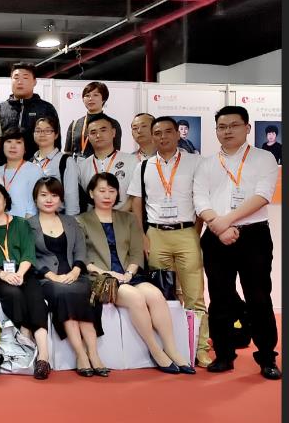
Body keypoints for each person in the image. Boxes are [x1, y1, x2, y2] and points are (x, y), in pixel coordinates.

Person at [77, 172, 193, 375]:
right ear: (91, 193)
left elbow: (136, 253)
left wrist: (129, 274)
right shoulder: (80, 221)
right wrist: (109, 273)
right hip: (101, 278)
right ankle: (156, 350)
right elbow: (81, 256)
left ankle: (172, 349)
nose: (107, 195)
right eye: (102, 191)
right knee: (136, 298)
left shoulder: (128, 218)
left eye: (112, 191)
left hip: (129, 275)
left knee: (155, 295)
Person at [195, 106, 280, 379]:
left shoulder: (264, 158)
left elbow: (263, 195)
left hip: (253, 236)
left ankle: (267, 357)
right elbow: (200, 198)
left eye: (234, 125)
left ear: (247, 128)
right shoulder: (207, 163)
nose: (227, 131)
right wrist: (217, 226)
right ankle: (224, 354)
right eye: (222, 126)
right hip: (215, 237)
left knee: (259, 297)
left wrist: (225, 221)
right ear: (216, 130)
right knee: (219, 297)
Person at [127, 116, 211, 368]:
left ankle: (200, 348)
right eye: (157, 133)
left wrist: (195, 231)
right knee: (163, 296)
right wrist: (142, 236)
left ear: (177, 134)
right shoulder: (143, 166)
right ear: (152, 137)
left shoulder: (195, 162)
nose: (162, 137)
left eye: (167, 132)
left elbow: (201, 199)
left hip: (186, 233)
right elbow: (136, 203)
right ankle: (171, 346)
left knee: (194, 295)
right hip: (156, 235)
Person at [0, 183, 52, 380]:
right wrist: (2, 274)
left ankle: (43, 357)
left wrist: (20, 274)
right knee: (13, 294)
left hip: (22, 272)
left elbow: (28, 253)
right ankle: (25, 335)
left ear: (5, 200)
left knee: (35, 298)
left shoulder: (20, 224)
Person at [28, 177, 106, 377]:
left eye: (54, 195)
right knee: (64, 293)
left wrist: (76, 271)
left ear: (61, 199)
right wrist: (51, 276)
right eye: (44, 195)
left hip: (75, 275)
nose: (49, 200)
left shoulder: (71, 221)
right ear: (35, 198)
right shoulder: (28, 225)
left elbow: (80, 250)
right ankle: (81, 355)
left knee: (84, 291)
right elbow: (29, 257)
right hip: (47, 280)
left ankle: (94, 354)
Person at [67, 114, 137, 215]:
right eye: (93, 132)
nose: (98, 135)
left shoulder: (132, 161)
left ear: (113, 132)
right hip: (92, 221)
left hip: (123, 219)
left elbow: (135, 197)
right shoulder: (81, 167)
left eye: (103, 130)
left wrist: (116, 216)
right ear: (88, 137)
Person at [0, 62, 58, 166]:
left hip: (38, 166)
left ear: (34, 82)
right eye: (16, 78)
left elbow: (55, 141)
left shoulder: (46, 108)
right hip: (3, 167)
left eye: (25, 78)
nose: (20, 82)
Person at [30, 116, 78, 211]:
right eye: (38, 131)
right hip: (33, 217)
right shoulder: (30, 162)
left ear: (56, 135)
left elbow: (71, 199)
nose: (42, 134)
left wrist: (71, 220)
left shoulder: (66, 161)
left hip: (57, 217)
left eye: (47, 131)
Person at [63, 82, 123, 157]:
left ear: (103, 99)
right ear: (83, 99)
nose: (91, 99)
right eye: (87, 95)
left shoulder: (113, 124)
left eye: (95, 95)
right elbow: (68, 154)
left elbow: (115, 153)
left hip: (102, 164)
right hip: (77, 164)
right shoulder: (75, 124)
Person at [0, 128, 42, 218]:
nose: (13, 146)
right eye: (8, 141)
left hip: (24, 223)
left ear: (25, 148)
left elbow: (32, 209)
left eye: (18, 142)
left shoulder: (34, 171)